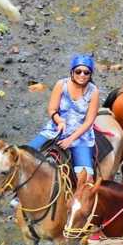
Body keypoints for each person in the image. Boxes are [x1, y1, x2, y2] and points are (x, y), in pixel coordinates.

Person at [28, 54, 100, 188]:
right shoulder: (61, 84)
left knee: (86, 179)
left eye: (86, 72)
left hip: (80, 136)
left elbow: (89, 121)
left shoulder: (93, 91)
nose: (82, 75)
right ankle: (19, 195)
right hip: (56, 128)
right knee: (26, 155)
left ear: (90, 74)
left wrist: (70, 139)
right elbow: (51, 109)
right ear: (72, 72)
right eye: (78, 71)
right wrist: (59, 120)